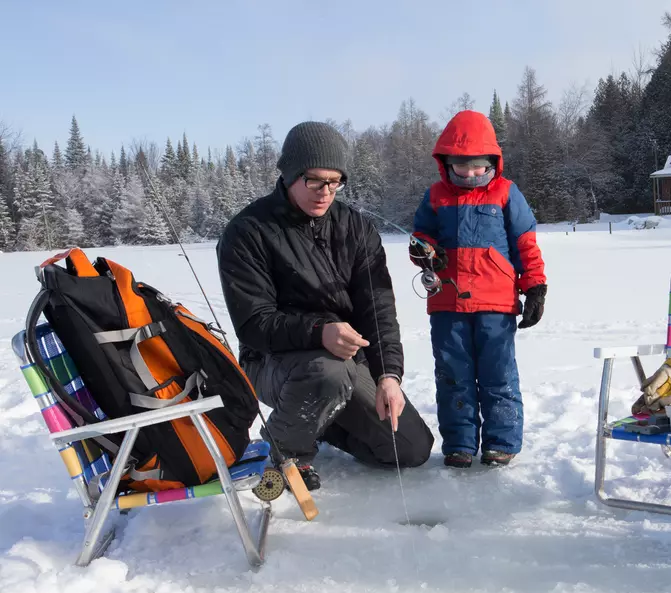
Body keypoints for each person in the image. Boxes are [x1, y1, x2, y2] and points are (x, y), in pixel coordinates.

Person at [216, 121, 435, 490]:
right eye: (315, 181)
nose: (326, 193)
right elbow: (254, 323)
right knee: (328, 371)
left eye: (335, 182)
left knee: (411, 448)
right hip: (271, 363)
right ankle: (288, 455)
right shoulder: (248, 231)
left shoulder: (356, 229)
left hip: (346, 365)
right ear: (289, 175)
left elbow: (378, 310)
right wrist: (319, 332)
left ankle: (319, 419)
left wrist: (388, 376)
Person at [410, 110, 547, 468]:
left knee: (498, 375)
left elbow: (525, 244)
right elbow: (421, 236)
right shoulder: (436, 195)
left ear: (492, 162)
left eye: (478, 166)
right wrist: (421, 248)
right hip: (447, 304)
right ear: (447, 164)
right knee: (453, 375)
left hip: (495, 304)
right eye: (461, 166)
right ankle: (459, 444)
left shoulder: (506, 192)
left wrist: (535, 287)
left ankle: (501, 442)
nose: (470, 173)